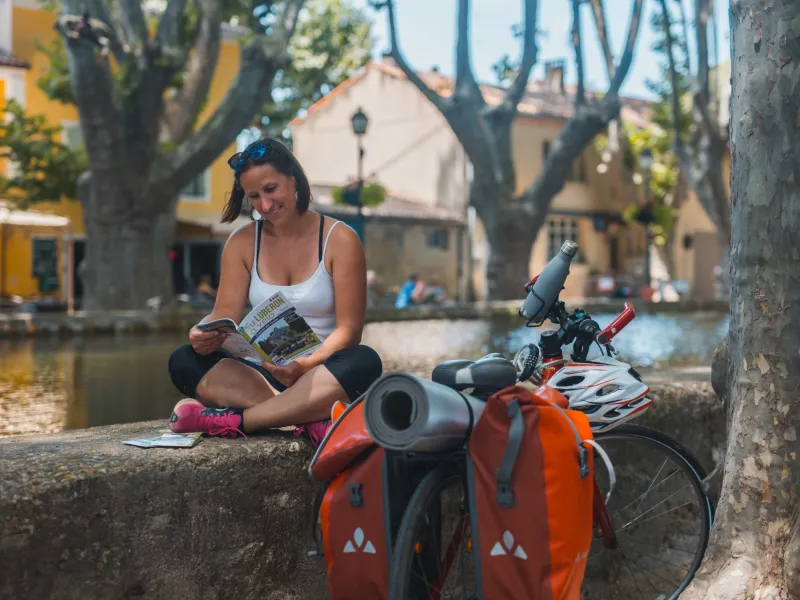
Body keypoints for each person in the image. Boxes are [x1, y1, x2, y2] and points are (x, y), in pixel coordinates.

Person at [166, 138, 383, 446]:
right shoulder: (241, 243)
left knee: (364, 362)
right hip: (263, 375)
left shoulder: (340, 239)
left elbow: (350, 331)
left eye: (270, 190)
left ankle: (241, 420)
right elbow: (224, 313)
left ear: (293, 180)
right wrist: (202, 332)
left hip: (322, 373)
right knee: (183, 361)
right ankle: (310, 419)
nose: (264, 206)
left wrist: (306, 365)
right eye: (254, 196)